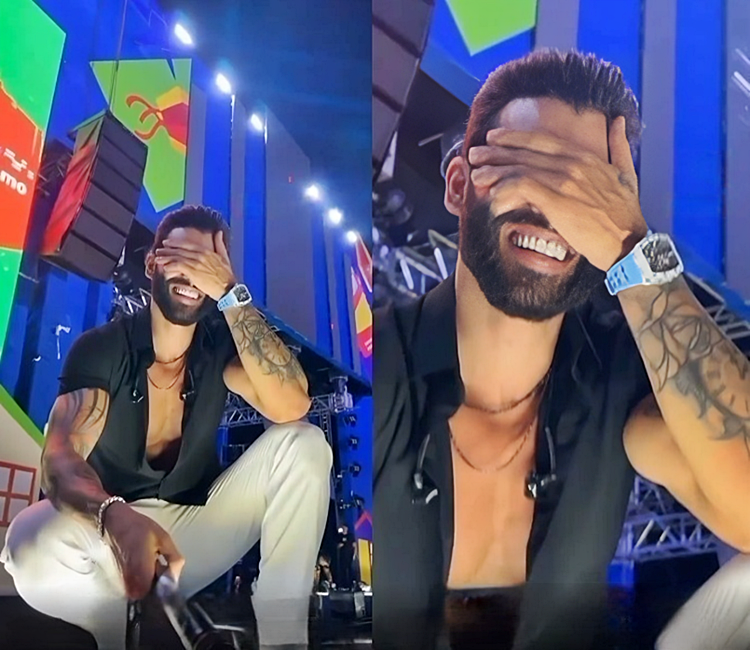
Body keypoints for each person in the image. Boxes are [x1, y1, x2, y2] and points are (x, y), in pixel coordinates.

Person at [374, 50, 750, 650]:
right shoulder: (380, 366)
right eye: (527, 169)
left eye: (585, 191)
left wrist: (633, 250)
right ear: (458, 185)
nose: (553, 212)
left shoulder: (619, 385)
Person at [1, 205, 333, 650]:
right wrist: (114, 516)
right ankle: (118, 635)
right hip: (109, 530)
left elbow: (293, 405)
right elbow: (60, 458)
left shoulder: (218, 347)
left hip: (194, 532)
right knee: (28, 541)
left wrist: (232, 294)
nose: (192, 273)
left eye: (206, 263)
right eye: (180, 257)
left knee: (305, 443)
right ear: (151, 263)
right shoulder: (103, 347)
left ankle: (284, 641)